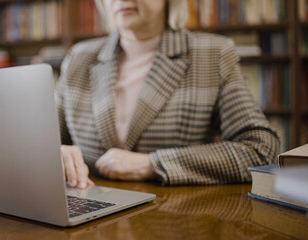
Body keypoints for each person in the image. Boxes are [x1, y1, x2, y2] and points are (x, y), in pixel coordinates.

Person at [55, 0, 280, 189]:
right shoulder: (78, 57)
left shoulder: (212, 54)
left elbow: (260, 149)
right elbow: (42, 142)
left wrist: (152, 164)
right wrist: (56, 153)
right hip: (90, 215)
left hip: (176, 217)